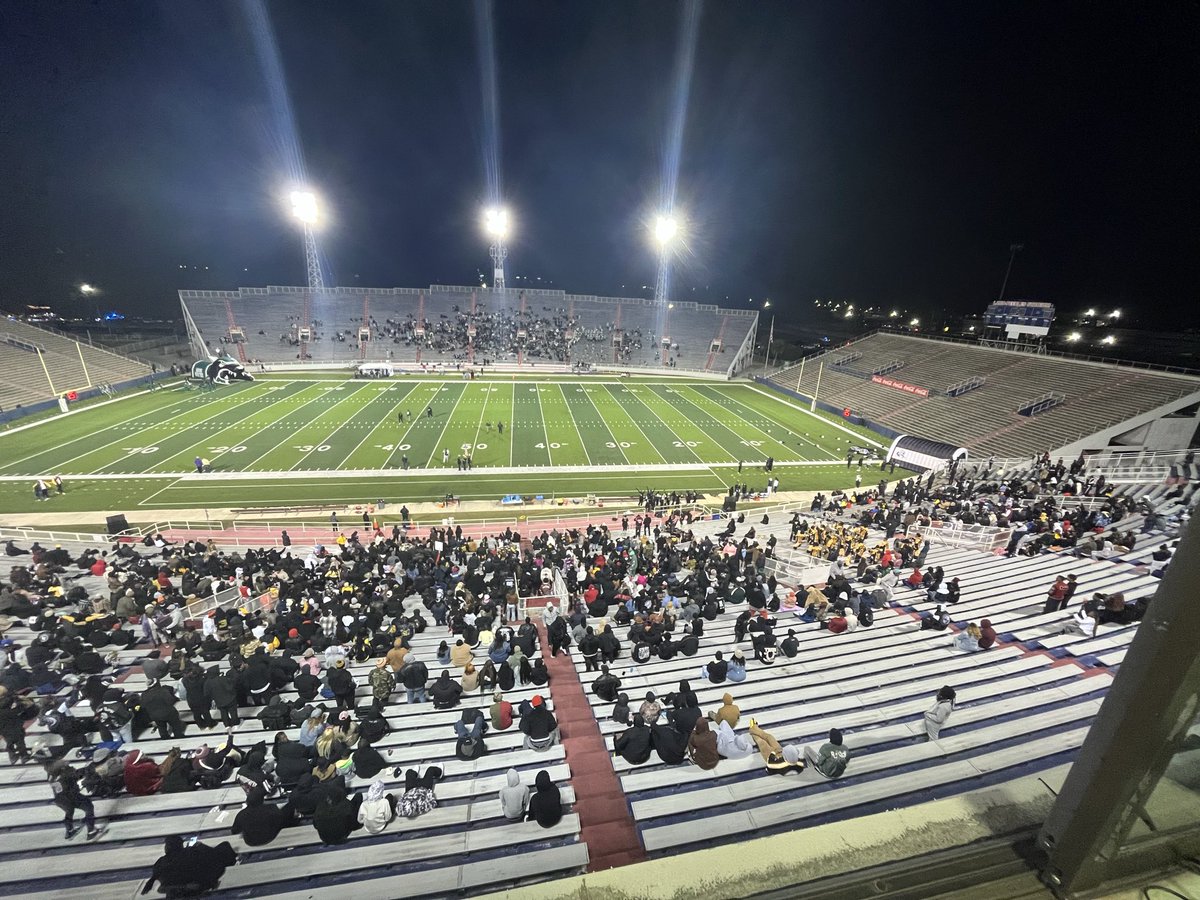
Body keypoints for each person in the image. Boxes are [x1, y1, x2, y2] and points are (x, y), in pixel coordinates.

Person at [142, 835, 238, 896]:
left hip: (176, 892)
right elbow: (210, 856)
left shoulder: (160, 863)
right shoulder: (192, 853)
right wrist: (200, 846)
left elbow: (161, 885)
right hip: (195, 888)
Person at [50, 762, 105, 840]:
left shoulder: (52, 776)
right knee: (88, 806)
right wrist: (87, 769)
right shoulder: (66, 773)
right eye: (67, 766)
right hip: (70, 796)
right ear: (62, 768)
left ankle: (69, 831)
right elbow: (77, 775)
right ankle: (91, 831)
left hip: (59, 799)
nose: (69, 766)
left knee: (69, 811)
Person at [231, 787, 298, 846]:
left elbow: (234, 831)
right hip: (270, 836)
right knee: (288, 808)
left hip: (251, 841)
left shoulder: (241, 814)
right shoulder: (270, 808)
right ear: (261, 800)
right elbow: (280, 819)